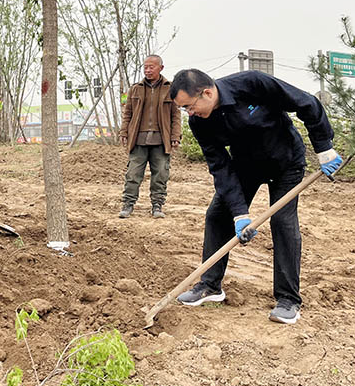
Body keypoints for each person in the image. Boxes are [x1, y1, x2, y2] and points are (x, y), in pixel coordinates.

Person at [170, 69, 342, 324]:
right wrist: (240, 213)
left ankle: (288, 299)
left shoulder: (251, 84)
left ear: (206, 93)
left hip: (286, 162)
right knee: (218, 216)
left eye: (189, 106)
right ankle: (210, 285)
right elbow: (220, 167)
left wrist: (324, 147)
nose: (189, 114)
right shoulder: (200, 122)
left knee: (282, 222)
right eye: (184, 110)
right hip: (245, 167)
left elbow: (307, 103)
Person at [118, 55, 181, 218]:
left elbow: (176, 115)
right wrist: (124, 132)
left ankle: (157, 205)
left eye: (151, 67)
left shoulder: (170, 88)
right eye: (145, 67)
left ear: (161, 68)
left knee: (160, 173)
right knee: (133, 173)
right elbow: (127, 113)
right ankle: (128, 204)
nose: (148, 70)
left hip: (161, 140)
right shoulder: (135, 89)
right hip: (138, 139)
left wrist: (175, 135)